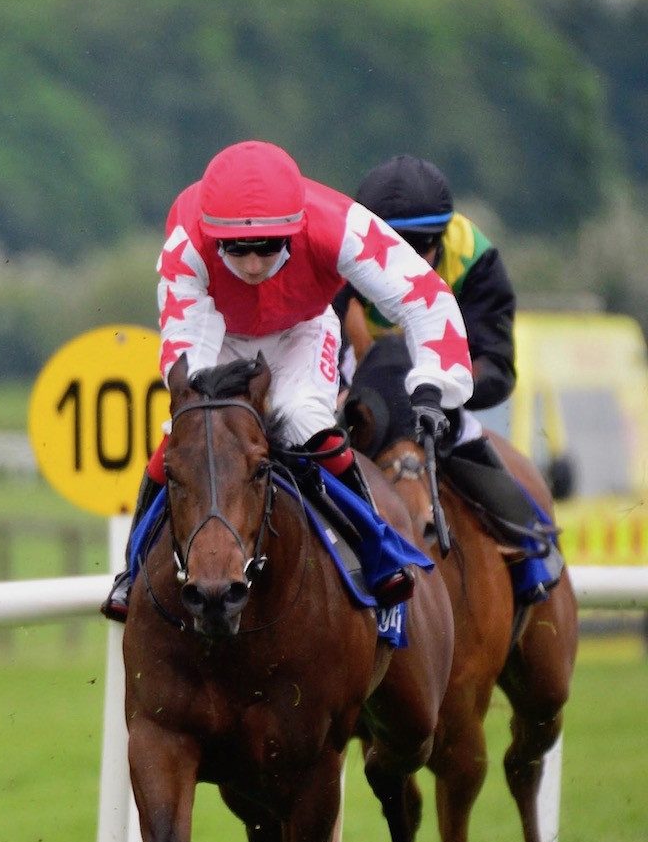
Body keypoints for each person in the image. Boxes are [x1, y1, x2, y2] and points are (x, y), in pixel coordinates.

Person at [101, 139, 473, 622]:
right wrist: (193, 400)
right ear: (214, 237)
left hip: (303, 328)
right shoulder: (186, 241)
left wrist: (430, 388)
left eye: (268, 248)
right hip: (220, 330)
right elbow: (184, 343)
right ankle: (133, 570)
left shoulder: (337, 225)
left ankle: (376, 547)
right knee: (190, 432)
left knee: (303, 417)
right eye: (237, 250)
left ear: (294, 233)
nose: (253, 266)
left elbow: (423, 296)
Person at [341, 153, 561, 604]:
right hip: (361, 380)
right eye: (389, 252)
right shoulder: (339, 250)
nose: (400, 268)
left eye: (416, 251)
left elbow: (496, 367)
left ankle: (527, 544)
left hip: (439, 385)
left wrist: (442, 392)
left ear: (440, 241)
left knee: (463, 432)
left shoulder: (475, 260)